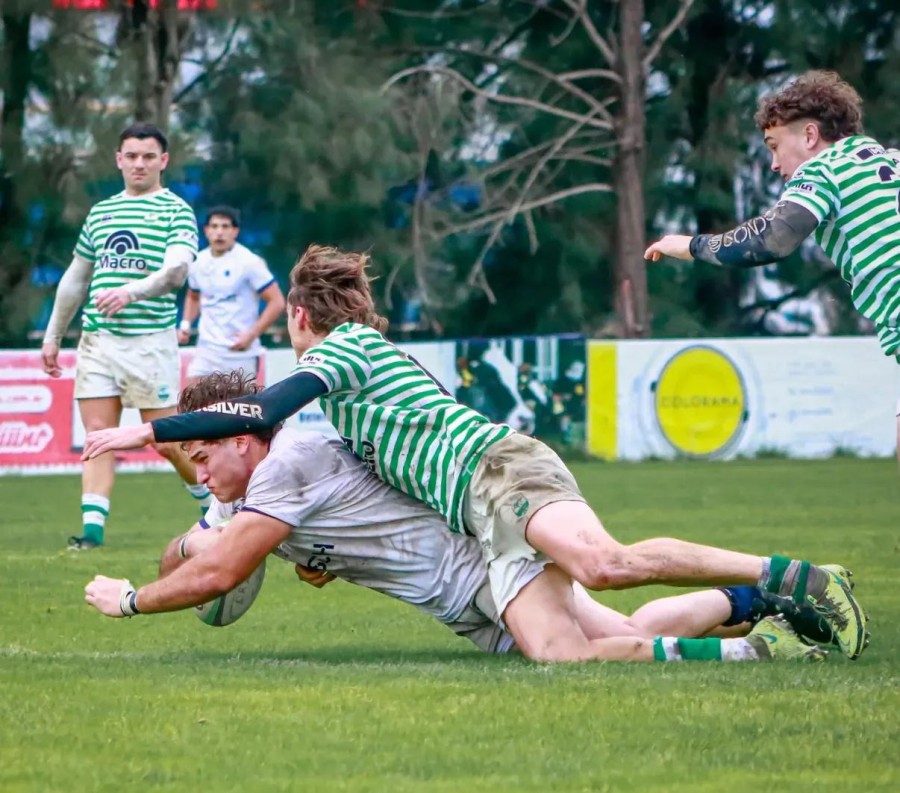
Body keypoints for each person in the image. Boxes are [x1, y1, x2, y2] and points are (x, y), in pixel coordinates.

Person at [81, 245, 870, 659]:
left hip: (496, 474)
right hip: (478, 515)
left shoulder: (343, 352)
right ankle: (758, 613)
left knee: (605, 564)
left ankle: (796, 577)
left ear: (298, 317)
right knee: (599, 635)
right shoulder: (340, 407)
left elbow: (267, 409)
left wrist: (148, 431)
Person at [84, 372, 832, 663]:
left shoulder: (290, 462)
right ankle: (754, 600)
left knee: (579, 656)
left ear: (245, 439)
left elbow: (218, 576)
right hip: (465, 596)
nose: (200, 468)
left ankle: (764, 648)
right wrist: (188, 539)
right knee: (633, 636)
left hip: (480, 566)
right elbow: (203, 570)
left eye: (206, 453)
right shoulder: (248, 493)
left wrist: (126, 600)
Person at [643, 70, 900, 463]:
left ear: (810, 136)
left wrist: (691, 246)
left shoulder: (823, 169)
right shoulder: (889, 160)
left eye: (775, 145)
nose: (774, 164)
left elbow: (771, 240)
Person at [40, 122, 212, 550]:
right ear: (118, 159)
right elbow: (76, 278)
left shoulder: (175, 210)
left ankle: (214, 504)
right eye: (131, 156)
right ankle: (92, 534)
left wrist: (130, 292)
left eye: (148, 156)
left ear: (163, 161)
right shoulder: (101, 212)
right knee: (98, 434)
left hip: (149, 341)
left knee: (167, 442)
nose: (139, 163)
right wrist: (53, 335)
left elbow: (176, 270)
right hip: (98, 342)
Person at [178, 206, 285, 385]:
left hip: (239, 354)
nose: (219, 232)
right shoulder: (198, 262)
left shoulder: (249, 262)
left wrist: (251, 335)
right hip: (206, 351)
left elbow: (277, 302)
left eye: (225, 227)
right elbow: (193, 296)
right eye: (214, 226)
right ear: (206, 230)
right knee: (189, 406)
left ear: (235, 231)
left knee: (239, 412)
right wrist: (186, 324)